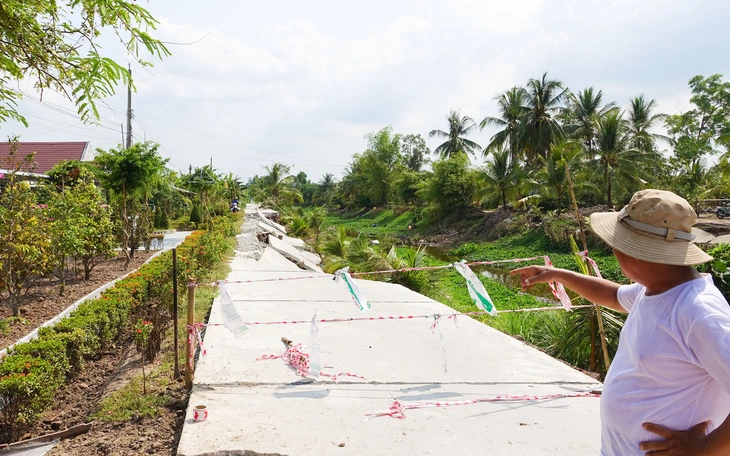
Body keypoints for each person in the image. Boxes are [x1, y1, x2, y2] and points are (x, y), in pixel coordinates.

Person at [511, 189, 730, 456]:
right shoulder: (655, 288)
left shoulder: (699, 312)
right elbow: (613, 295)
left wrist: (706, 447)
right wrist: (558, 274)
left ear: (636, 252)